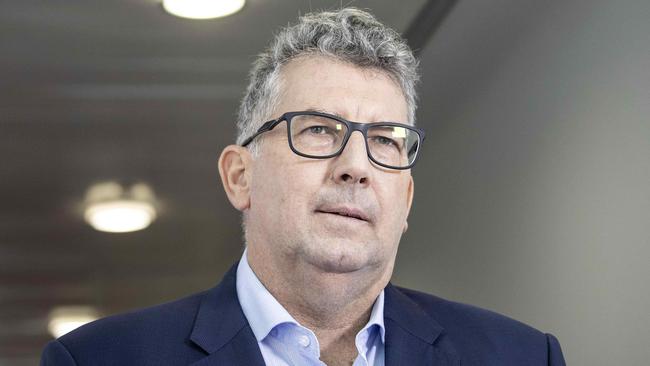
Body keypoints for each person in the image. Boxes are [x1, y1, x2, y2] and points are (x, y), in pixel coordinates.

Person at [41, 8, 566, 366]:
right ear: (240, 176)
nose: (355, 166)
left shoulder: (519, 356)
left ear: (405, 199)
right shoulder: (99, 359)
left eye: (385, 140)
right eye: (319, 130)